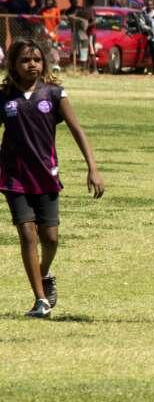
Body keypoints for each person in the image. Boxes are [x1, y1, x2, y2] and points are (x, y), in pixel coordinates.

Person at [1, 39, 105, 318]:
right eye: (24, 60)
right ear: (13, 65)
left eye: (36, 59)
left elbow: (77, 130)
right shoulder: (5, 95)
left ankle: (44, 273)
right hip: (13, 177)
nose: (31, 64)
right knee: (27, 234)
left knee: (51, 238)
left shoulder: (54, 94)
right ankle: (41, 301)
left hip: (46, 175)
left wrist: (92, 167)